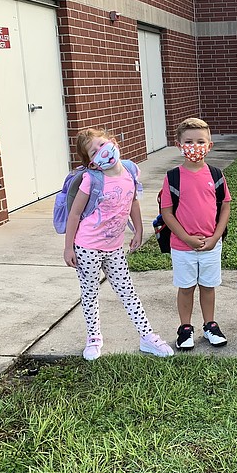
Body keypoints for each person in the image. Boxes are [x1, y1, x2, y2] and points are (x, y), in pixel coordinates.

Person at [63, 127, 173, 360]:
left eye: (103, 144)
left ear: (112, 141)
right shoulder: (90, 179)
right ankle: (93, 338)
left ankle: (147, 337)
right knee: (90, 293)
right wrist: (68, 247)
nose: (102, 152)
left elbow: (132, 201)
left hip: (114, 247)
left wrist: (139, 229)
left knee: (128, 292)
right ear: (91, 163)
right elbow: (74, 215)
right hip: (87, 247)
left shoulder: (130, 171)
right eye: (94, 152)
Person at [160, 118, 232, 350]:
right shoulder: (173, 177)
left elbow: (225, 207)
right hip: (183, 246)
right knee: (186, 287)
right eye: (189, 141)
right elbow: (167, 213)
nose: (194, 146)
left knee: (208, 286)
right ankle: (185, 329)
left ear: (209, 145)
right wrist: (187, 238)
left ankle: (210, 325)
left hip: (211, 243)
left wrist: (215, 237)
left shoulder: (216, 174)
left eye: (200, 141)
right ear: (179, 145)